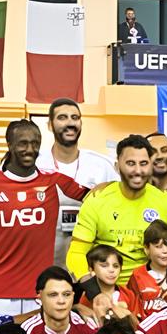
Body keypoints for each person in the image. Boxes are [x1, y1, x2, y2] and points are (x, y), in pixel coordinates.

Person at [0, 118, 86, 314]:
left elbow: (96, 198)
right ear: (9, 144)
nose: (30, 149)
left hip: (40, 291)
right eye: (23, 143)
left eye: (35, 143)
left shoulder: (54, 181)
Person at [67, 134, 167, 276]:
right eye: (131, 163)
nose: (138, 171)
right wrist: (90, 286)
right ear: (117, 166)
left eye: (143, 163)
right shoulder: (97, 200)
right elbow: (77, 252)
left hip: (152, 286)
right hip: (106, 285)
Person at [39, 98, 119, 264]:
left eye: (75, 118)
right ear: (50, 125)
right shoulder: (36, 164)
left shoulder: (103, 165)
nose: (70, 123)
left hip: (90, 264)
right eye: (62, 117)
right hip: (43, 262)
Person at [124, 220, 167, 320]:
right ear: (147, 249)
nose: (165, 251)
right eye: (158, 247)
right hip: (146, 327)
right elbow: (132, 310)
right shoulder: (137, 276)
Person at [78, 244, 133, 322]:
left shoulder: (129, 294)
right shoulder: (85, 297)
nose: (111, 270)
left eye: (116, 266)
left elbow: (137, 324)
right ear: (91, 269)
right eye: (104, 266)